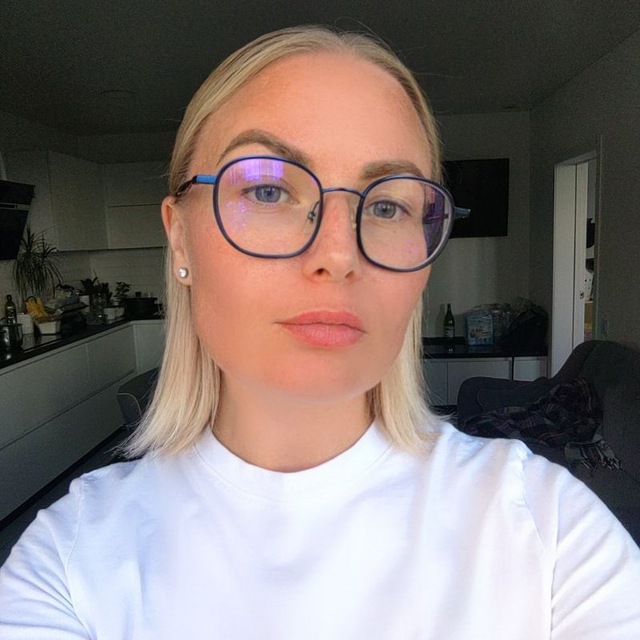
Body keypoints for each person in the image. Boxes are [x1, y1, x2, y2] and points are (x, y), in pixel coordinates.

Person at [1, 25, 639, 639]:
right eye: (268, 190)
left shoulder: (550, 531)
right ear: (180, 237)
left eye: (386, 205)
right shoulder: (69, 562)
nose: (338, 253)